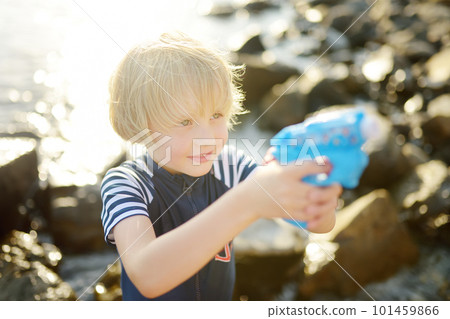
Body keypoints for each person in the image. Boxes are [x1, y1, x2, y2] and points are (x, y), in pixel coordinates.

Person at [100, 32, 341, 301]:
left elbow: (318, 223)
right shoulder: (127, 184)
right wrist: (246, 203)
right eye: (185, 122)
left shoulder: (230, 167)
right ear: (139, 126)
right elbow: (147, 276)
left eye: (216, 115)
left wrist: (319, 195)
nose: (207, 138)